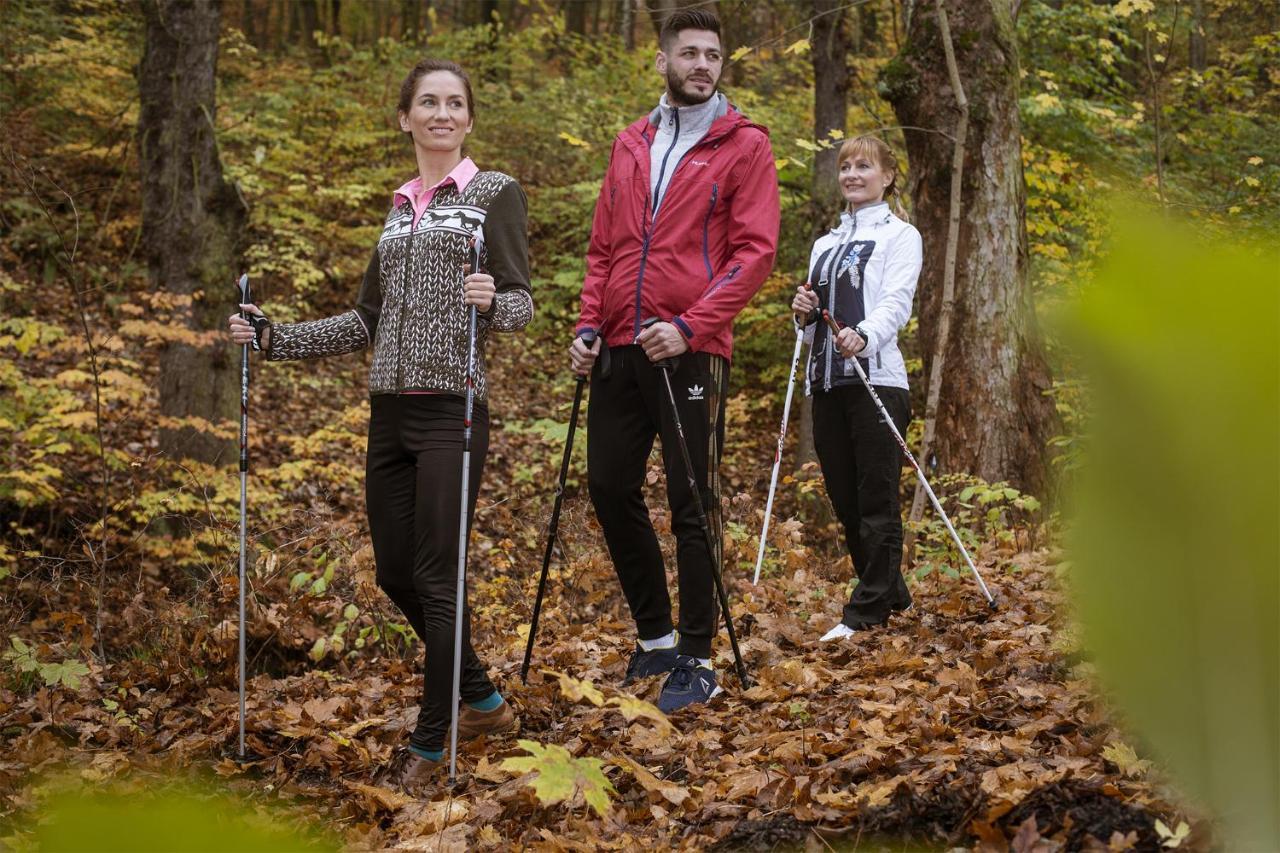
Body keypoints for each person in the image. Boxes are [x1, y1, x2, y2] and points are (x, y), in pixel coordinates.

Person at [227, 59, 532, 787]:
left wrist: (493, 300)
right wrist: (276, 337)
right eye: (428, 102)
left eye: (455, 103)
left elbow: (522, 305)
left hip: (452, 407)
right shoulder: (400, 209)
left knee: (436, 574)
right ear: (405, 117)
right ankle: (484, 697)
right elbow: (367, 318)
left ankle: (431, 743)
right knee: (397, 571)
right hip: (387, 413)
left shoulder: (494, 194)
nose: (442, 114)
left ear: (469, 119)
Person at [568, 9, 779, 712]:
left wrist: (691, 327)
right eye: (688, 52)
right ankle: (655, 636)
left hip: (691, 350)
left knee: (694, 502)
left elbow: (756, 254)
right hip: (619, 347)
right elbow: (605, 250)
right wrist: (587, 326)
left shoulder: (743, 145)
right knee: (608, 484)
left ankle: (697, 654)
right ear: (662, 60)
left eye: (712, 54)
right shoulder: (631, 143)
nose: (701, 64)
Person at [790, 134, 921, 641]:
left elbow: (896, 302)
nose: (852, 175)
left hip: (876, 380)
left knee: (876, 499)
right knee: (846, 501)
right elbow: (807, 324)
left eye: (864, 167)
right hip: (826, 382)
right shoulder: (824, 244)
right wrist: (800, 315)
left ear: (887, 176)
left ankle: (864, 613)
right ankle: (894, 596)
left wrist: (864, 335)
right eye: (845, 167)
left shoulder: (900, 236)